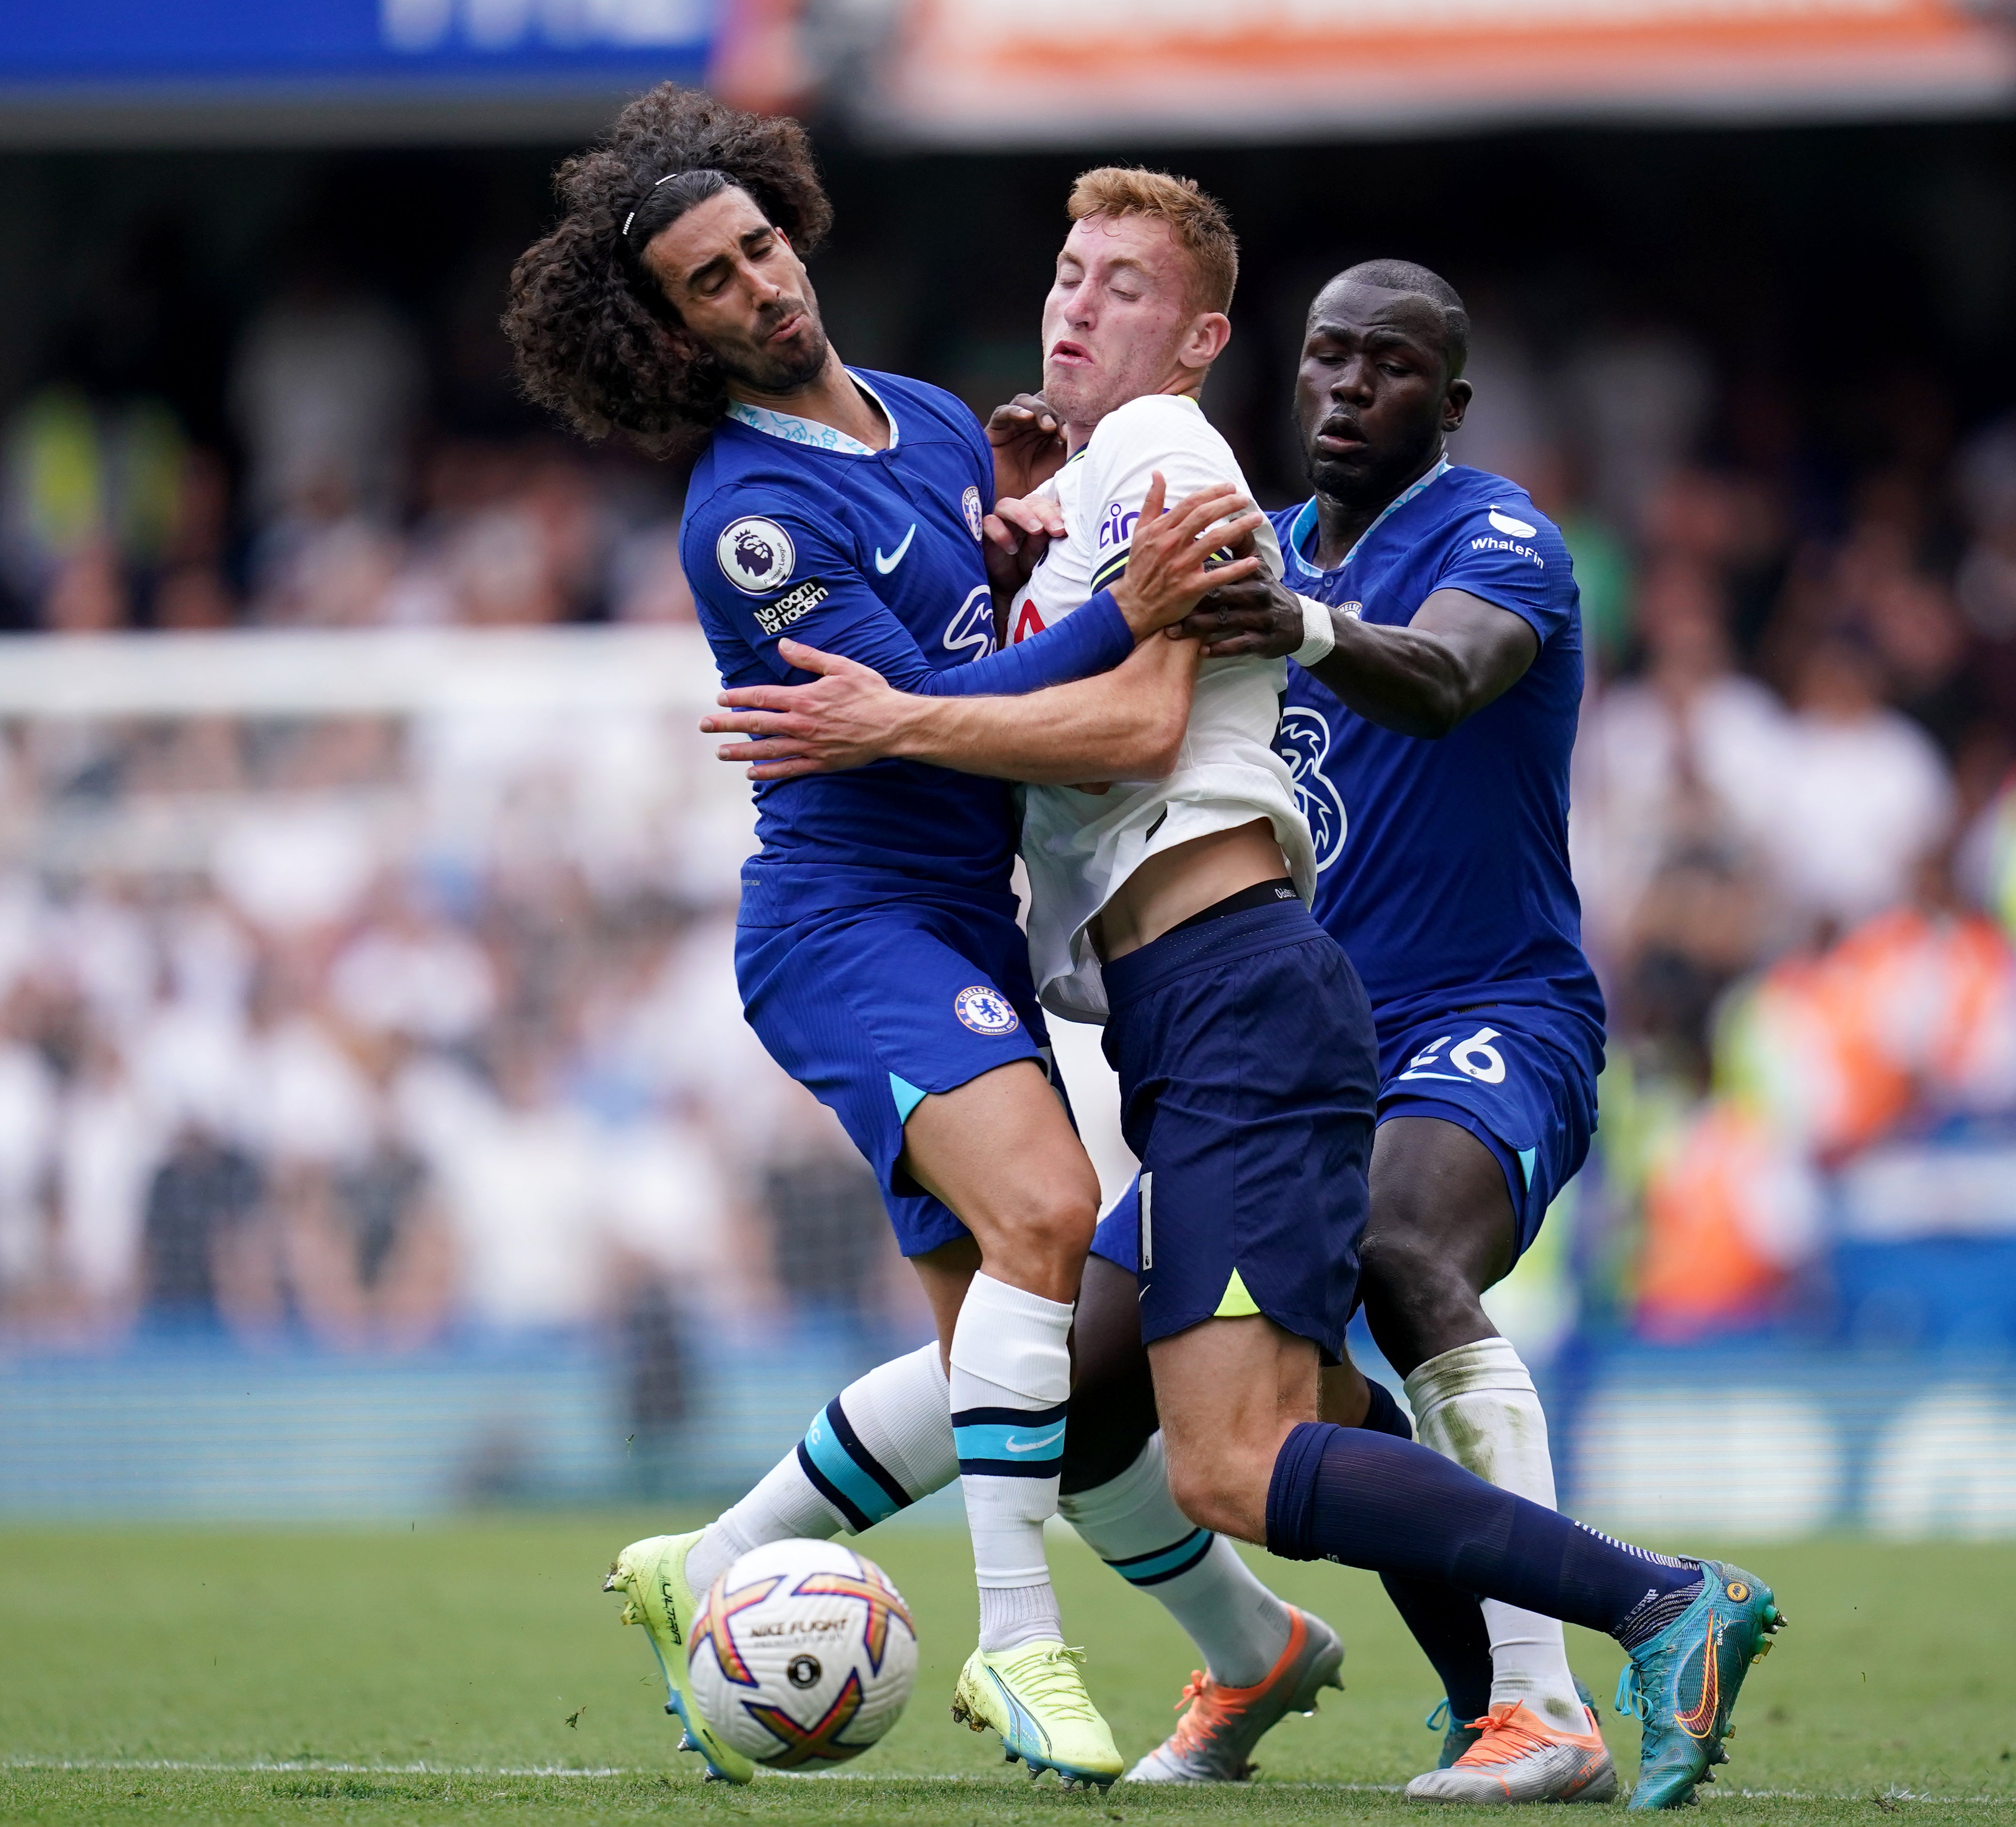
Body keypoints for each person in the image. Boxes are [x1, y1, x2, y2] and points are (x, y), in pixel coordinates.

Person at [705, 198, 1785, 1810]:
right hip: (1241, 1019)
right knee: (1082, 1393)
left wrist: (897, 714)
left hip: (1443, 1008)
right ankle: (1407, 1669)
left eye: (1392, 364)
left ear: (1448, 397)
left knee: (1352, 1313)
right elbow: (1106, 618)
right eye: (1332, 357)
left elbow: (1424, 677)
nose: (1349, 387)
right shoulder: (1223, 522)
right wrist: (1026, 530)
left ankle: (1583, 1666)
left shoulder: (1473, 531)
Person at [503, 89, 1262, 1787]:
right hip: (849, 923)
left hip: (963, 918)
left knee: (1016, 1371)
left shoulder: (924, 418)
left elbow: (969, 650)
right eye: (711, 283)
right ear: (670, 334)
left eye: (761, 246)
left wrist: (1027, 542)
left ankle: (1239, 1645)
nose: (762, 288)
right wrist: (1123, 616)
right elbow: (914, 716)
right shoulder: (747, 520)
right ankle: (1020, 1650)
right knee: (1055, 1221)